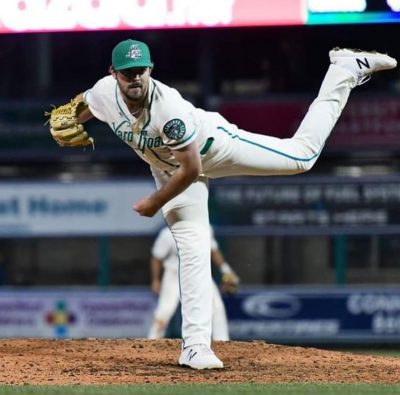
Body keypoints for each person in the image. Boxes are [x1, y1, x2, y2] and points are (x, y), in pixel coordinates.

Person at [47, 40, 396, 369]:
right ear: (114, 73)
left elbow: (192, 169)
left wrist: (155, 201)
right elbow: (84, 103)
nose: (135, 77)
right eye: (127, 71)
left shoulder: (169, 108)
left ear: (150, 69)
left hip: (212, 149)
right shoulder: (105, 92)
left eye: (141, 69)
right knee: (193, 246)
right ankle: (196, 346)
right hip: (167, 168)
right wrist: (68, 119)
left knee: (302, 157)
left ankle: (343, 71)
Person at [148, 225, 239, 341]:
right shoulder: (168, 233)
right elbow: (156, 257)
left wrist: (226, 271)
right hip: (174, 274)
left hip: (199, 272)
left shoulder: (204, 228)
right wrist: (155, 280)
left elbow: (213, 251)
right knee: (165, 310)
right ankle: (152, 342)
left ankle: (222, 342)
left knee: (216, 307)